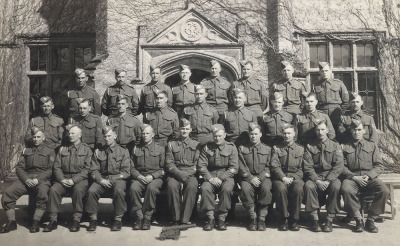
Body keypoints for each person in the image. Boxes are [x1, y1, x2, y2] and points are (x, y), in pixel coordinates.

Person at [1, 127, 55, 233]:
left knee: (42, 193)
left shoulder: (50, 151)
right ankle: (11, 222)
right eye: (34, 137)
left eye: (38, 137)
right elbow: (19, 167)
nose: (36, 139)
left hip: (42, 179)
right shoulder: (26, 150)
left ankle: (36, 221)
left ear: (43, 138)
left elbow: (51, 170)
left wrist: (37, 180)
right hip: (26, 178)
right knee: (8, 193)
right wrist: (25, 179)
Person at [340, 119, 389, 233]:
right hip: (352, 178)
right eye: (354, 130)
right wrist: (354, 177)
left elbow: (379, 165)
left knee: (384, 191)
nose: (356, 132)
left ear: (363, 130)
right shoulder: (344, 147)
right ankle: (358, 219)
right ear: (351, 131)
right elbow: (342, 167)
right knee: (346, 189)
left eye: (359, 130)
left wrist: (368, 176)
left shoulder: (372, 146)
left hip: (369, 178)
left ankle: (370, 219)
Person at [44, 125, 92, 232]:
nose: (70, 135)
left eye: (73, 133)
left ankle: (76, 220)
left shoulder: (87, 149)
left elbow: (87, 170)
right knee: (54, 190)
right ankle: (53, 220)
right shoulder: (62, 149)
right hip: (64, 178)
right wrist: (61, 179)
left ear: (80, 135)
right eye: (69, 133)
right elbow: (57, 167)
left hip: (79, 179)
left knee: (78, 190)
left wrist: (73, 180)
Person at [86, 126, 131, 232]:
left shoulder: (123, 151)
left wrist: (113, 179)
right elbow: (94, 170)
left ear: (115, 136)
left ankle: (118, 219)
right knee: (91, 191)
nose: (107, 138)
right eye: (105, 136)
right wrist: (100, 180)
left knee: (119, 191)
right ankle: (93, 219)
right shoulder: (98, 151)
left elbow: (126, 172)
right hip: (102, 179)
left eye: (109, 136)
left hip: (118, 179)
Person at [303, 119, 344, 232]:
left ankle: (329, 219)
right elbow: (308, 167)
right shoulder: (310, 146)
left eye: (322, 129)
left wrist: (328, 180)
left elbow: (339, 166)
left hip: (330, 177)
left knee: (336, 186)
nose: (320, 132)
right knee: (309, 186)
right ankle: (315, 220)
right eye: (318, 130)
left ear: (327, 130)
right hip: (315, 177)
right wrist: (317, 181)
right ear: (315, 131)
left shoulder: (335, 146)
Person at [197, 124, 238, 231]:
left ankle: (221, 218)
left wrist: (221, 178)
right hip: (211, 175)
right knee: (205, 189)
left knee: (227, 189)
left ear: (224, 135)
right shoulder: (207, 147)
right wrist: (210, 178)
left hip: (226, 176)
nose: (217, 138)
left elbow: (234, 167)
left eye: (220, 136)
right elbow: (201, 165)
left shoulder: (231, 147)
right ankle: (210, 218)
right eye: (215, 136)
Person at [130, 124, 165, 230]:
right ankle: (139, 217)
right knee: (133, 188)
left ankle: (147, 218)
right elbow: (131, 167)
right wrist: (139, 176)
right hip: (140, 177)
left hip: (155, 178)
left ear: (153, 135)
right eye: (143, 133)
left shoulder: (160, 148)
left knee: (151, 188)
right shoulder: (136, 148)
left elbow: (164, 169)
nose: (145, 135)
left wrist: (153, 176)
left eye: (147, 133)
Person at [237, 123, 272, 231]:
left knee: (266, 189)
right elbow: (241, 166)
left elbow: (270, 166)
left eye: (256, 134)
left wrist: (260, 177)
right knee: (245, 189)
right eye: (251, 134)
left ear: (260, 134)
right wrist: (251, 178)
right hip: (248, 177)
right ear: (249, 135)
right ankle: (253, 218)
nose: (254, 136)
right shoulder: (242, 149)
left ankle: (261, 219)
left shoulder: (268, 149)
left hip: (263, 177)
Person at [165, 118, 200, 225]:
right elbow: (169, 163)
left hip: (190, 174)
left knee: (192, 186)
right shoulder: (172, 144)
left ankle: (185, 219)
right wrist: (179, 174)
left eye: (187, 129)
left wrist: (187, 174)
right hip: (175, 173)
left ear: (190, 130)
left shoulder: (196, 144)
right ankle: (176, 218)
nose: (184, 131)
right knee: (171, 185)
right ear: (179, 129)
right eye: (182, 128)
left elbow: (197, 164)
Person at [271, 124, 304, 231]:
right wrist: (283, 178)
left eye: (289, 133)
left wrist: (293, 178)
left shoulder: (301, 149)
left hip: (296, 177)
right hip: (280, 177)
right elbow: (275, 166)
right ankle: (283, 219)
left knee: (298, 188)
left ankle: (294, 220)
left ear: (294, 134)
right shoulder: (277, 148)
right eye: (285, 133)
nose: (287, 136)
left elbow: (303, 168)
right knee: (280, 189)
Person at [312, 62, 349, 132]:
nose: (324, 73)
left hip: (335, 112)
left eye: (326, 70)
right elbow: (313, 101)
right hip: (321, 112)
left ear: (330, 71)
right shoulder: (315, 85)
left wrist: (340, 112)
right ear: (320, 72)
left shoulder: (339, 83)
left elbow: (346, 101)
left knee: (337, 132)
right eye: (322, 71)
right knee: (322, 131)